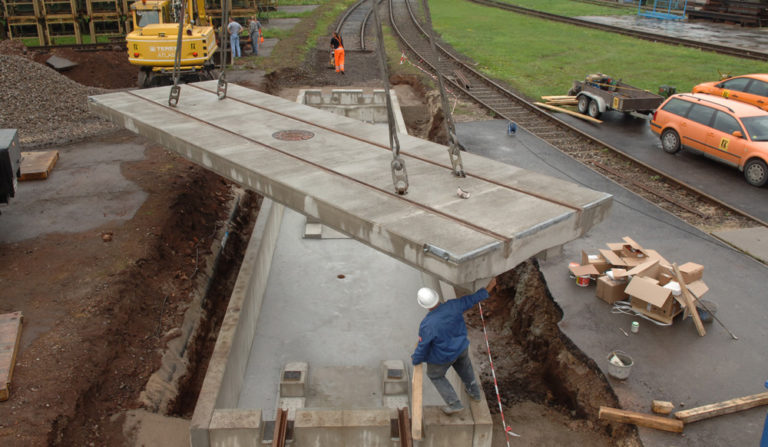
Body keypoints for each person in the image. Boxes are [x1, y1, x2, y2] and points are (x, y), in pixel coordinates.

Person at [411, 277, 497, 415]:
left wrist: (416, 359)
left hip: (442, 357)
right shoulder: (454, 305)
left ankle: (454, 403)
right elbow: (471, 299)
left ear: (425, 305)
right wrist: (489, 288)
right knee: (465, 369)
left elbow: (423, 346)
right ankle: (475, 393)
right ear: (436, 297)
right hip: (461, 349)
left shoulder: (427, 324)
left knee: (435, 376)